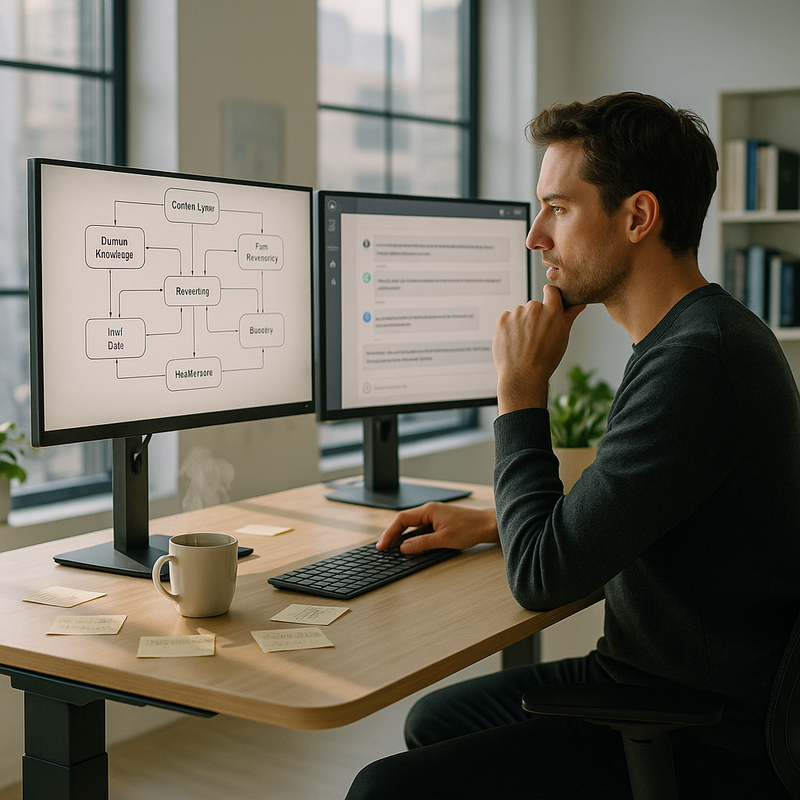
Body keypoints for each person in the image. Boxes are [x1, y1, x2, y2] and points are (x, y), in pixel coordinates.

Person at [345, 92, 800, 799]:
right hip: (663, 679)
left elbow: (543, 579)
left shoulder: (699, 362)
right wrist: (498, 522)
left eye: (558, 207)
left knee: (384, 790)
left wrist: (520, 390)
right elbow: (646, 509)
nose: (535, 236)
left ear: (638, 217)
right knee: (440, 717)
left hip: (704, 728)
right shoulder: (696, 337)